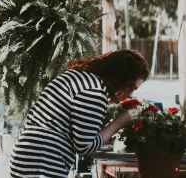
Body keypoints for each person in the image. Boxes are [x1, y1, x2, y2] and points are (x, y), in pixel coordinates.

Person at [9, 50, 150, 178]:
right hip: (43, 159)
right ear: (121, 78)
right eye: (131, 87)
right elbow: (85, 146)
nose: (130, 94)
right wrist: (119, 122)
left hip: (28, 154)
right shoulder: (94, 91)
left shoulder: (81, 78)